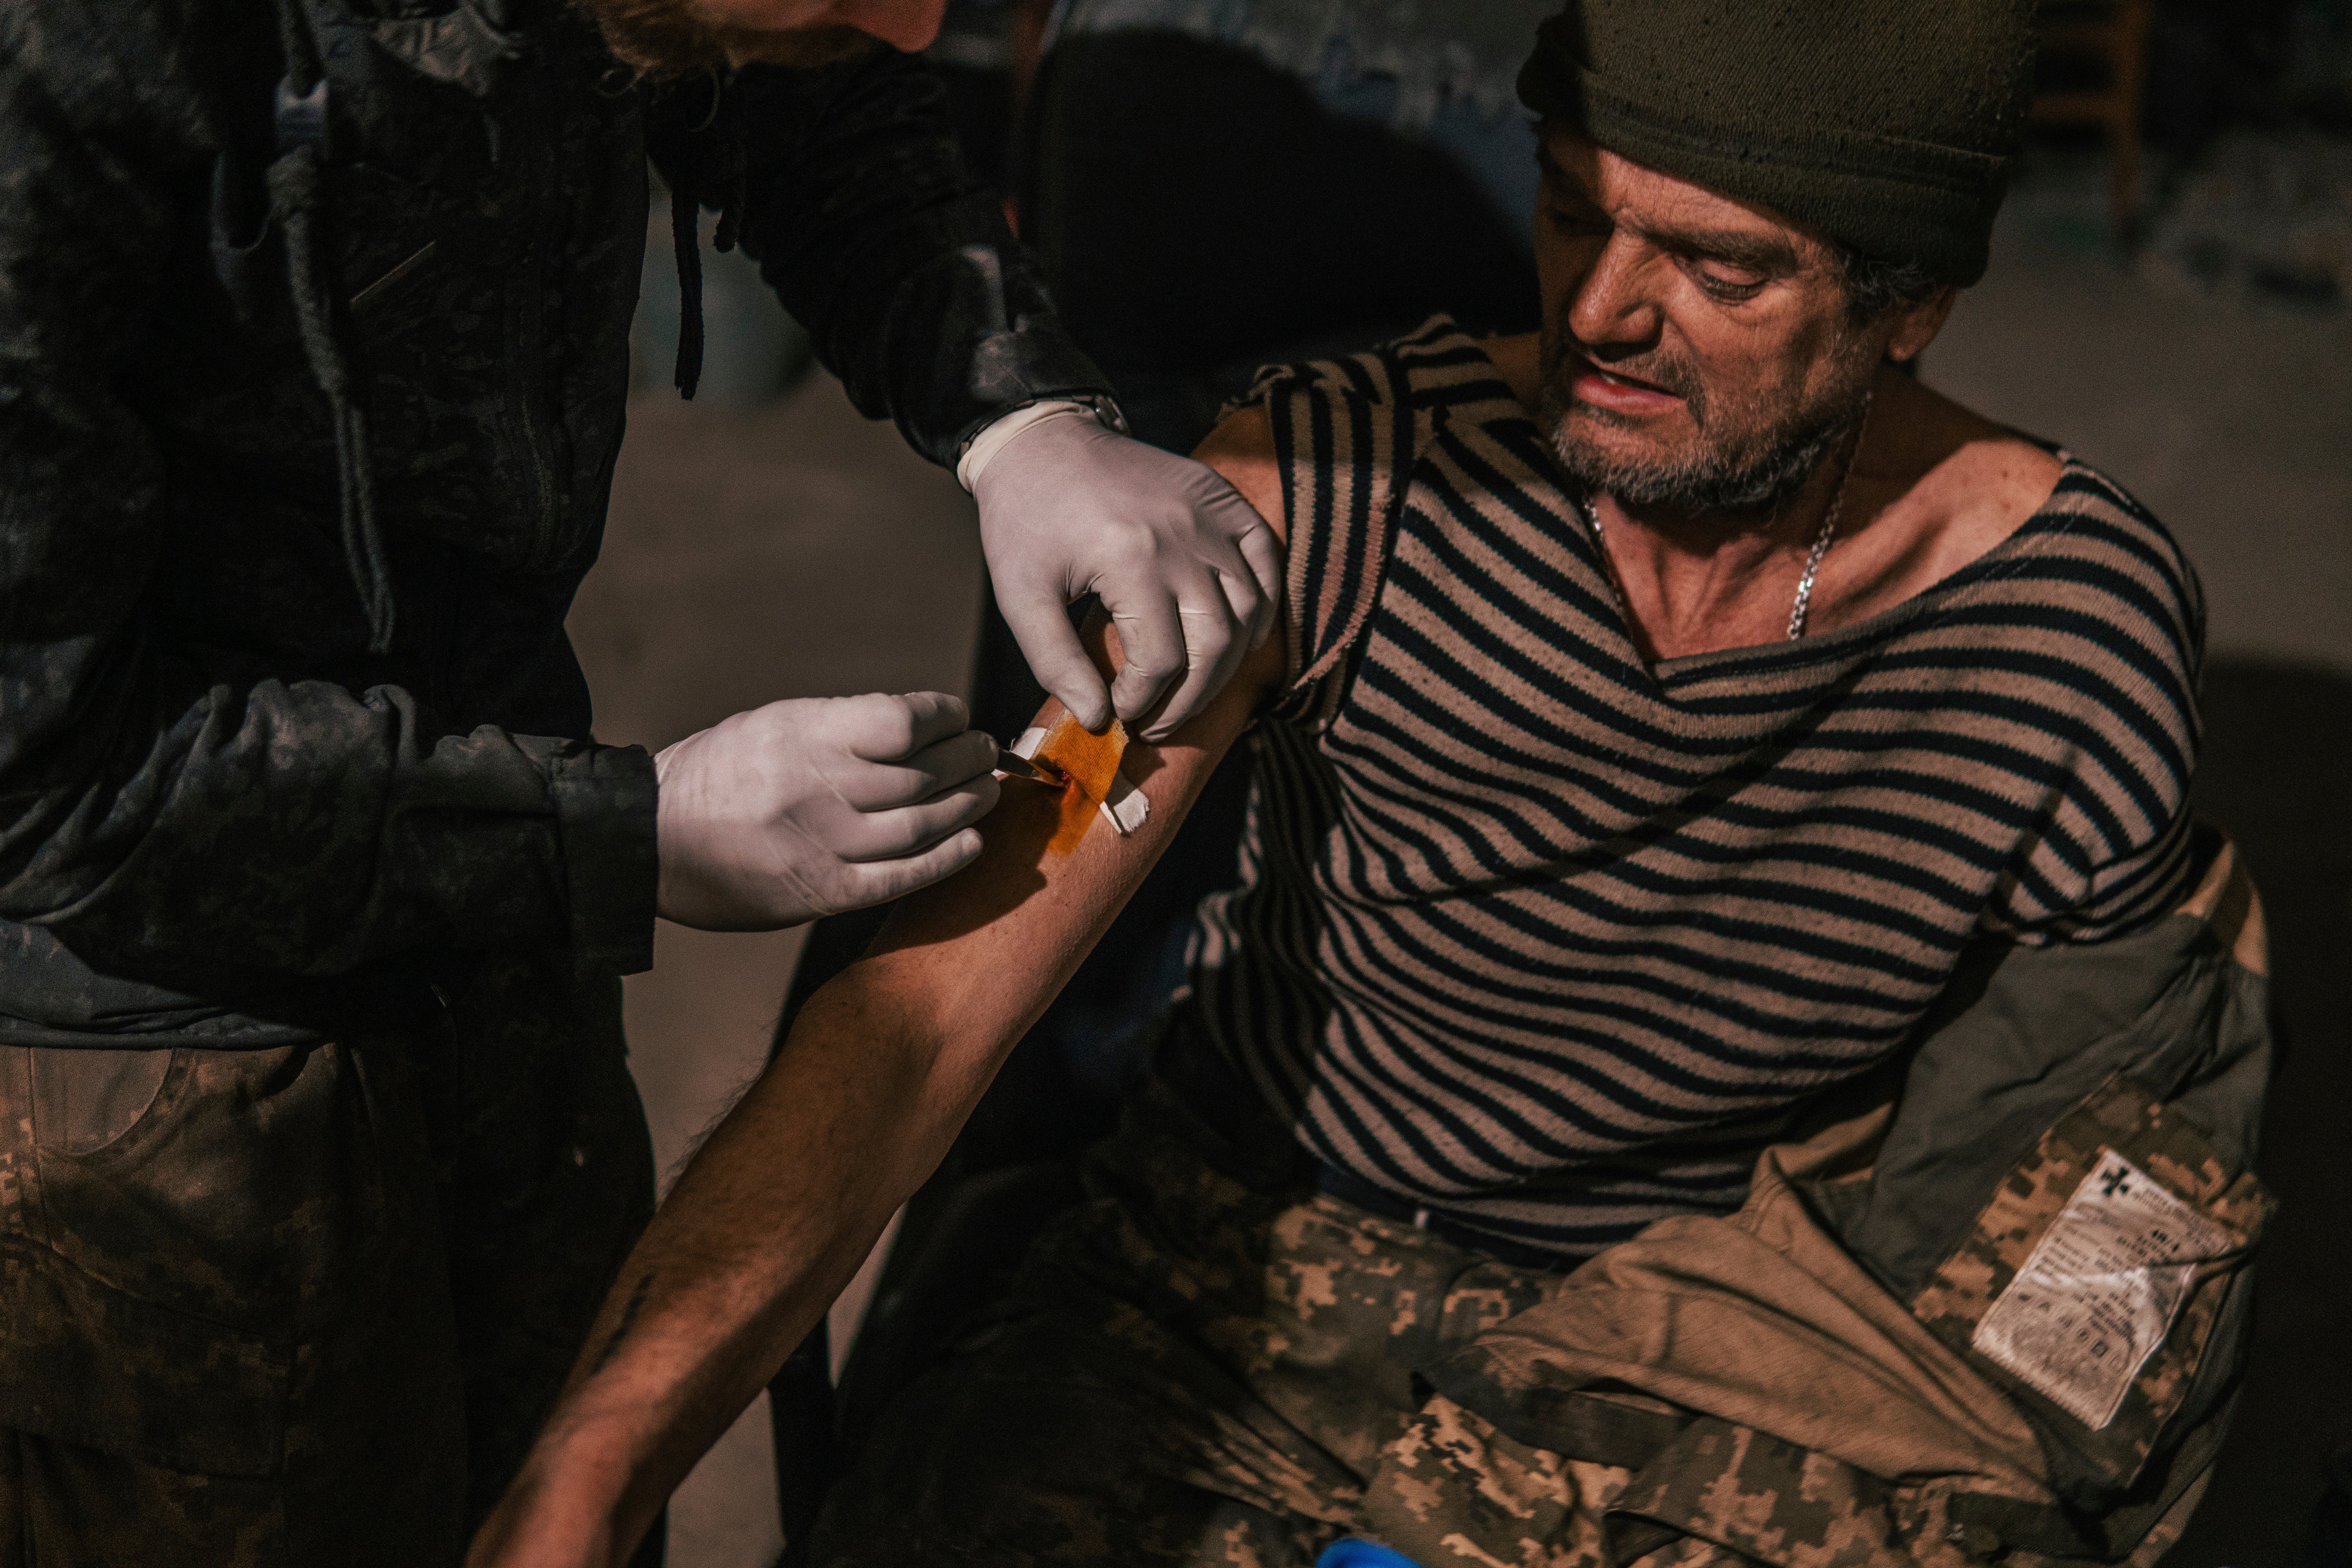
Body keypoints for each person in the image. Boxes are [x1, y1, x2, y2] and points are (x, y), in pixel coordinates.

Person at [476, 2, 2274, 1563]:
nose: (1604, 312)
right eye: (1574, 209)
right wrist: (597, 1457)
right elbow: (921, 1024)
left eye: (1721, 269)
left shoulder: (2070, 635)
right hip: (1240, 1267)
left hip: (1694, 1341)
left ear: (1910, 307)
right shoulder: (1334, 474)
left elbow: (2111, 1196)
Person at [0, 0, 1284, 1559]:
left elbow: (815, 111)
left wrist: (1018, 411)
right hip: (145, 1049)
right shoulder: (60, 58)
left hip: (502, 955)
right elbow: (48, 777)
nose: (919, 17)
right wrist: (621, 827)